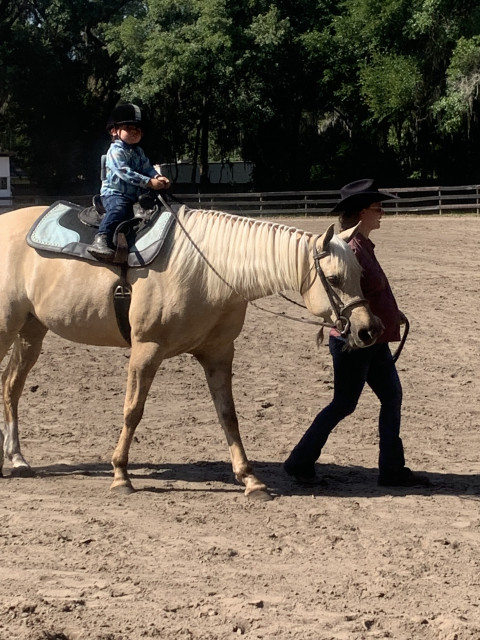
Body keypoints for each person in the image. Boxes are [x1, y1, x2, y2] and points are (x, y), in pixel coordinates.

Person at [284, 179, 430, 488]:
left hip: (373, 340)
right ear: (363, 212)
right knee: (344, 404)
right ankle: (300, 461)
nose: (382, 214)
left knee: (391, 396)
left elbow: (369, 293)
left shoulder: (361, 245)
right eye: (379, 208)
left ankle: (391, 469)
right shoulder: (349, 249)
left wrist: (392, 313)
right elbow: (345, 297)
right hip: (355, 341)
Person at [87, 102, 170, 262]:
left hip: (134, 195)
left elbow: (148, 168)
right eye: (129, 128)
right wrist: (149, 182)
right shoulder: (115, 151)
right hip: (115, 193)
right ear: (114, 130)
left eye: (138, 130)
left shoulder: (139, 152)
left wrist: (158, 177)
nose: (134, 132)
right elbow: (124, 172)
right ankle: (101, 239)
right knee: (119, 210)